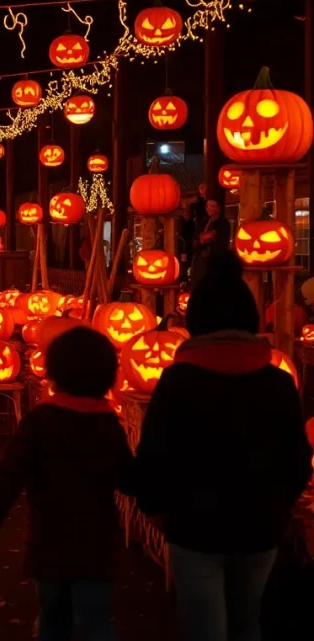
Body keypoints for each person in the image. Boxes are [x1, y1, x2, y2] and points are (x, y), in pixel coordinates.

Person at [135, 252, 312, 641]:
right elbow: (298, 461)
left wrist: (156, 510)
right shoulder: (279, 384)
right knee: (249, 620)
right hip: (260, 527)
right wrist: (279, 504)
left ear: (196, 322)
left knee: (205, 626)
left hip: (193, 528)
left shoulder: (178, 382)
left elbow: (152, 457)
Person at [0, 326, 133, 641]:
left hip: (49, 545)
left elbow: (8, 476)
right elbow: (129, 479)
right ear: (109, 377)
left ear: (53, 374)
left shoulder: (40, 422)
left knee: (53, 618)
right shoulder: (108, 426)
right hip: (96, 548)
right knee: (96, 619)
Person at [189, 197, 231, 289]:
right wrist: (202, 240)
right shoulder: (203, 222)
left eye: (212, 206)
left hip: (214, 260)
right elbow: (196, 239)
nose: (208, 209)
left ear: (219, 207)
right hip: (200, 260)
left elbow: (222, 244)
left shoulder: (223, 223)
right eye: (207, 206)